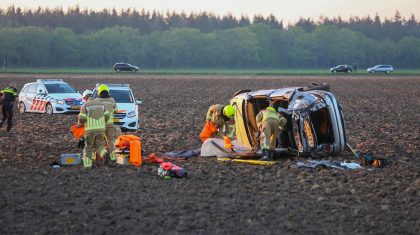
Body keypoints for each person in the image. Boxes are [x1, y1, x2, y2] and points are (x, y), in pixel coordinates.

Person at [78, 96, 110, 168]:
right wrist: (103, 122)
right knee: (100, 145)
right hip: (101, 129)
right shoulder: (101, 104)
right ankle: (104, 153)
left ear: (86, 98)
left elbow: (82, 117)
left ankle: (87, 165)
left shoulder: (85, 105)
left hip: (90, 129)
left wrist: (80, 124)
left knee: (88, 147)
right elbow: (107, 115)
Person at [95, 84, 118, 164]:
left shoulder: (96, 101)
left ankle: (104, 153)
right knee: (111, 141)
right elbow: (116, 110)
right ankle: (113, 158)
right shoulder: (112, 100)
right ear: (107, 91)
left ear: (99, 92)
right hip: (110, 124)